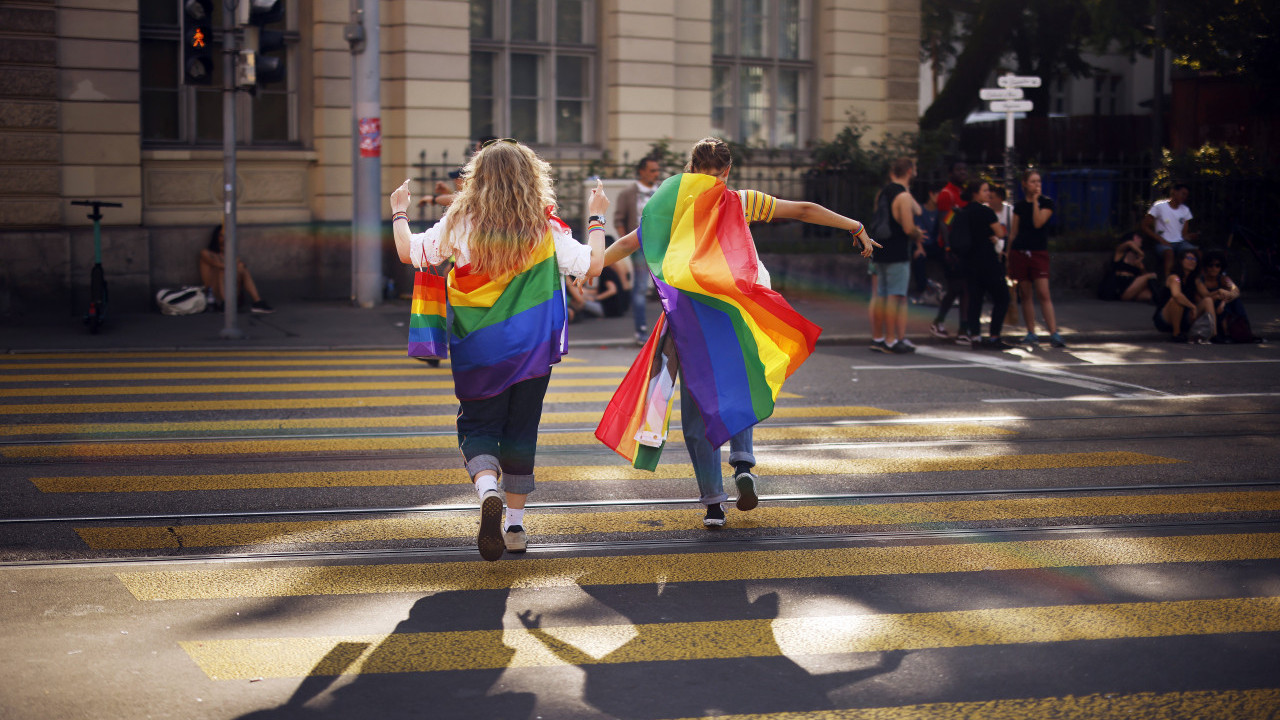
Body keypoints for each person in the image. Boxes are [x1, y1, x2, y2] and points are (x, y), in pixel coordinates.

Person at [598, 137, 878, 528]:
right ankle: (743, 465)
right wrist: (855, 226)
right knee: (737, 390)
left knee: (696, 416)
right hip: (731, 318)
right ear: (726, 172)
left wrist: (589, 267)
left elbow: (629, 242)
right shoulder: (740, 201)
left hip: (686, 324)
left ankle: (714, 504)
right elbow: (803, 209)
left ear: (690, 170)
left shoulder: (671, 209)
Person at [389, 139, 608, 561]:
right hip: (530, 351)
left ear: (478, 179)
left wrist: (400, 209)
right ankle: (515, 526)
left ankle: (487, 489)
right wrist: (596, 215)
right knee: (522, 431)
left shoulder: (459, 222)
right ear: (531, 179)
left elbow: (408, 251)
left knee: (478, 425)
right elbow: (592, 265)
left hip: (478, 349)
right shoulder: (546, 227)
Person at [869, 156, 924, 354]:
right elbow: (909, 227)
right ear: (910, 171)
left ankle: (878, 337)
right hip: (898, 251)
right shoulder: (903, 196)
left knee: (881, 296)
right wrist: (919, 234)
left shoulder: (883, 193)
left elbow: (914, 209)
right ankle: (891, 340)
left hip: (880, 249)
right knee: (895, 296)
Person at [1009, 169, 1065, 348]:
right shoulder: (1018, 206)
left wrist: (1035, 202)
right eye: (1033, 182)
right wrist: (1009, 255)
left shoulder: (1046, 203)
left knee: (1043, 292)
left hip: (1038, 252)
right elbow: (1014, 232)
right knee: (1025, 294)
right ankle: (1031, 332)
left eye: (1039, 182)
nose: (1036, 185)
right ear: (1025, 184)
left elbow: (1038, 222)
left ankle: (1053, 332)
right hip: (1020, 251)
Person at [957, 180, 1013, 349]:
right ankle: (994, 336)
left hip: (969, 262)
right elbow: (1000, 232)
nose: (988, 193)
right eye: (985, 190)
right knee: (1003, 297)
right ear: (976, 193)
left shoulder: (962, 212)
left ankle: (975, 337)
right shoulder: (986, 211)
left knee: (975, 300)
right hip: (988, 261)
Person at [614, 156, 662, 344]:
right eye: (652, 170)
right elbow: (619, 220)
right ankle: (641, 331)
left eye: (657, 170)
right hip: (640, 247)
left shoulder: (661, 192)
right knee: (641, 288)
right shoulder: (628, 193)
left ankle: (671, 333)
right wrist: (626, 245)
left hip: (663, 246)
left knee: (669, 289)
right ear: (641, 171)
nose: (656, 174)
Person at [930, 161, 970, 340]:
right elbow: (943, 223)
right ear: (950, 173)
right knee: (956, 287)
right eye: (958, 170)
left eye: (964, 169)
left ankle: (963, 328)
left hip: (962, 247)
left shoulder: (964, 193)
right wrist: (947, 248)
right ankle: (939, 322)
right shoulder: (947, 194)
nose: (962, 173)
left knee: (963, 289)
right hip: (950, 248)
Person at [199, 224, 273, 314]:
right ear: (216, 237)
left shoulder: (230, 254)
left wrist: (239, 265)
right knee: (225, 270)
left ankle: (257, 301)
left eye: (226, 236)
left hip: (232, 292)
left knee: (243, 269)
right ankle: (225, 304)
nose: (224, 239)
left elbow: (237, 267)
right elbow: (218, 265)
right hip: (213, 294)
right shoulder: (206, 253)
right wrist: (237, 265)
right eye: (221, 236)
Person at [1196, 250, 1261, 343]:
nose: (1214, 268)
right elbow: (1206, 296)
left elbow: (1236, 290)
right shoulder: (1199, 280)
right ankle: (1224, 333)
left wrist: (1223, 302)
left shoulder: (1223, 279)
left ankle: (1246, 330)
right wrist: (1219, 292)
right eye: (1211, 265)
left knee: (1236, 300)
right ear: (1206, 266)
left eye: (1217, 265)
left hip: (1221, 307)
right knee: (1222, 299)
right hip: (1206, 310)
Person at [419, 135, 497, 209]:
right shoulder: (499, 176)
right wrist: (446, 193)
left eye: (476, 150)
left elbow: (462, 201)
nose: (474, 154)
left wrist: (433, 199)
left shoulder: (482, 175)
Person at [1154, 248, 1213, 343]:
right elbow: (1177, 295)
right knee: (1176, 300)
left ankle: (1212, 334)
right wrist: (1192, 306)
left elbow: (1207, 295)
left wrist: (1220, 293)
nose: (1192, 261)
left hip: (1185, 317)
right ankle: (1176, 334)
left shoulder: (1195, 280)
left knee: (1208, 300)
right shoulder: (1175, 278)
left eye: (1194, 259)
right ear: (1181, 261)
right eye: (1189, 258)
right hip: (1166, 318)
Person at [1141, 183, 1197, 278]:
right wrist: (1160, 239)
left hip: (1180, 243)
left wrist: (1189, 236)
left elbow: (1184, 234)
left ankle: (1196, 280)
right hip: (1162, 242)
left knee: (1196, 252)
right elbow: (1144, 226)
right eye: (1183, 194)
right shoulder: (1159, 206)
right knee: (1169, 253)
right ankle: (1168, 281)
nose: (1184, 197)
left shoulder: (1185, 210)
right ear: (1174, 192)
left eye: (1186, 195)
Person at [1097, 233, 1157, 302]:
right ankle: (1160, 301)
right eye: (1137, 237)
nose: (1140, 239)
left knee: (1149, 295)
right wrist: (1141, 254)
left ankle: (1161, 301)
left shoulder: (1138, 259)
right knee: (1151, 275)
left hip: (1130, 286)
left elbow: (1143, 278)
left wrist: (1141, 268)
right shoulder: (1120, 252)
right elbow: (1129, 243)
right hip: (1119, 284)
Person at [909, 187, 942, 306]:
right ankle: (921, 290)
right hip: (922, 244)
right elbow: (916, 230)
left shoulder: (940, 212)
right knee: (919, 258)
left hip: (935, 245)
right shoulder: (920, 211)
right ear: (931, 194)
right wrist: (919, 247)